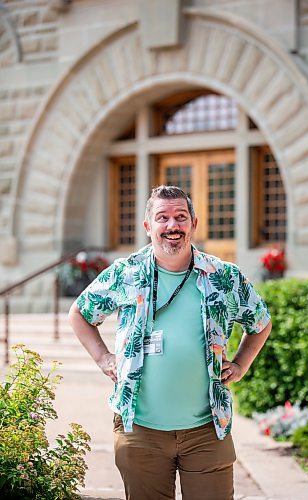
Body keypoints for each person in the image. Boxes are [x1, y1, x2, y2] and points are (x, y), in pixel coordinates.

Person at [69, 185, 272, 500]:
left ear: (194, 223)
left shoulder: (225, 276)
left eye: (180, 216)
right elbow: (80, 314)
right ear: (149, 227)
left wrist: (242, 364)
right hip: (140, 430)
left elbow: (260, 323)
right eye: (162, 218)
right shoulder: (126, 273)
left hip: (207, 430)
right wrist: (104, 359)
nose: (172, 226)